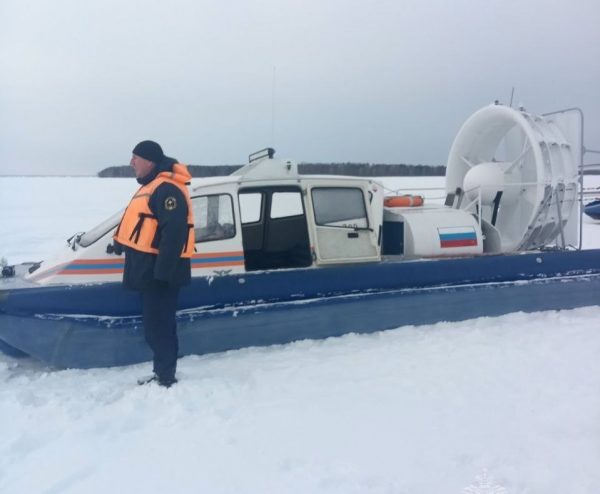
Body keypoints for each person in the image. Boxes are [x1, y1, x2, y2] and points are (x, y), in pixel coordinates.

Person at [113, 140, 194, 387]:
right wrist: (119, 242)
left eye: (135, 157)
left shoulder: (167, 189)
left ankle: (166, 376)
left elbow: (175, 232)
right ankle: (162, 371)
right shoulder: (152, 186)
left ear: (149, 160)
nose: (131, 162)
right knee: (154, 326)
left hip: (160, 274)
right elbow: (140, 223)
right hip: (149, 271)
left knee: (159, 327)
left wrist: (162, 274)